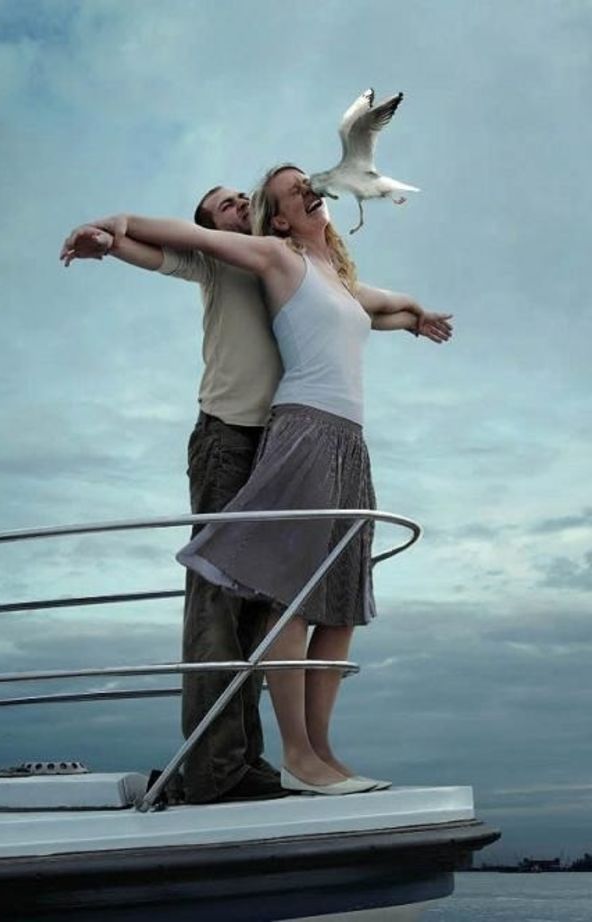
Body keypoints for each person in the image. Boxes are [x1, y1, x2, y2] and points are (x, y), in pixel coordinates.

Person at [61, 166, 452, 795]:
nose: (236, 203)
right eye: (223, 204)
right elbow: (164, 247)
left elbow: (371, 304)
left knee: (315, 600)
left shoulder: (319, 271)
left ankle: (287, 758)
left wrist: (417, 315)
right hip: (234, 436)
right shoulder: (237, 258)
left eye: (241, 195)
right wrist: (113, 232)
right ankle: (228, 767)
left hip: (307, 439)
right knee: (238, 601)